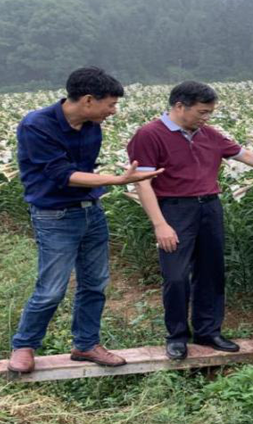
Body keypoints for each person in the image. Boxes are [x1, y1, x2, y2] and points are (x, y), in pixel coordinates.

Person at [127, 81, 253, 360]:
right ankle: (176, 336)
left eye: (210, 112)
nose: (207, 118)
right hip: (174, 210)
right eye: (202, 111)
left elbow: (245, 155)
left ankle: (208, 331)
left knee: (211, 272)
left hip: (210, 207)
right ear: (179, 106)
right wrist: (160, 224)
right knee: (176, 276)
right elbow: (143, 183)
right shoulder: (149, 134)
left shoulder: (208, 134)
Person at [9, 67, 162, 374]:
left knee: (95, 284)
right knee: (51, 287)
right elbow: (62, 175)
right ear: (89, 100)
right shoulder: (36, 125)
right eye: (111, 104)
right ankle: (24, 345)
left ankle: (86, 344)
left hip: (91, 211)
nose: (113, 111)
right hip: (55, 215)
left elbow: (87, 172)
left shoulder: (92, 126)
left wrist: (109, 183)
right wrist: (120, 180)